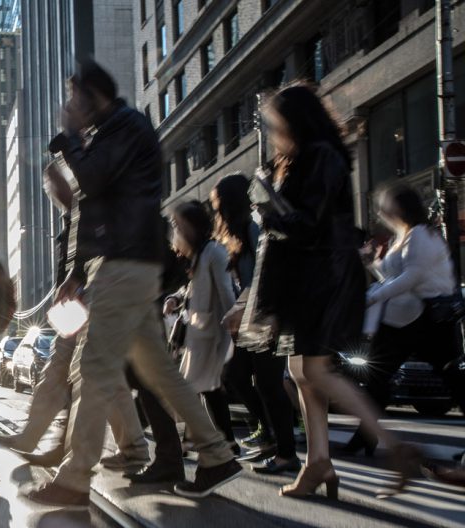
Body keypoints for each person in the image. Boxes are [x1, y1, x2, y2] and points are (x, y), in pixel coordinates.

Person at [22, 60, 239, 508]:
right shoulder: (112, 132)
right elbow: (91, 208)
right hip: (124, 264)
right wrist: (76, 273)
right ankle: (216, 454)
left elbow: (89, 182)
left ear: (90, 96)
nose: (68, 105)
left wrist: (67, 138)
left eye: (72, 97)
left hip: (123, 264)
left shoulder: (122, 128)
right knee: (158, 371)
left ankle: (75, 477)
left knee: (95, 370)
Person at [228, 83, 420, 498]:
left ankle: (394, 447)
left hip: (325, 277)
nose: (274, 130)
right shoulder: (303, 158)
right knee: (300, 372)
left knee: (314, 371)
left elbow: (306, 224)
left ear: (294, 121)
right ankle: (318, 464)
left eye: (277, 123)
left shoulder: (321, 156)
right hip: (309, 278)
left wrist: (266, 209)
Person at [0, 162, 151, 473]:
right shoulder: (73, 218)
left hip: (97, 300)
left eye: (55, 181)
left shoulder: (93, 210)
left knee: (93, 374)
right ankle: (130, 448)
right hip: (78, 306)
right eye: (48, 184)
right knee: (64, 371)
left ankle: (128, 449)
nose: (51, 190)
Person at [343, 183, 462, 454]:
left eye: (385, 205)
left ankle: (365, 438)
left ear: (399, 208)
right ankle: (364, 437)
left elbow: (412, 277)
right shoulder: (404, 236)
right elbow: (396, 277)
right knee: (377, 378)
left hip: (429, 318)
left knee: (454, 378)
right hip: (405, 320)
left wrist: (372, 297)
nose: (381, 211)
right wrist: (373, 262)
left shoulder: (420, 234)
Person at [211, 175, 300, 474]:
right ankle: (270, 435)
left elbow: (259, 279)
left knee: (267, 383)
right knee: (236, 375)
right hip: (254, 315)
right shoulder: (239, 234)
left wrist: (238, 309)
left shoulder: (252, 228)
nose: (214, 209)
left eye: (217, 203)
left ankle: (285, 450)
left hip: (267, 314)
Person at [163, 201, 238, 451]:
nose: (175, 231)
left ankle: (195, 440)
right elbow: (195, 290)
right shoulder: (199, 254)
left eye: (177, 225)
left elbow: (226, 291)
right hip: (199, 333)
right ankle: (223, 440)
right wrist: (176, 298)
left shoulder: (214, 252)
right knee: (208, 389)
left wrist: (233, 323)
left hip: (212, 333)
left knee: (196, 388)